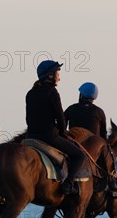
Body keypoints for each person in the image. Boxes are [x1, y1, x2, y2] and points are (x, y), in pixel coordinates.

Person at [25, 60, 86, 195]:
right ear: (50, 75)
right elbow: (60, 118)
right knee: (80, 155)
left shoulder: (31, 93)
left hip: (30, 136)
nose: (59, 76)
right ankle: (68, 184)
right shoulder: (52, 92)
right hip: (49, 137)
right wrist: (63, 132)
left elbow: (28, 118)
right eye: (58, 73)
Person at [65, 82, 117, 198]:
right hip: (95, 150)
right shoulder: (99, 112)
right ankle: (113, 186)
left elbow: (62, 127)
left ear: (81, 95)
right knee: (116, 162)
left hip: (74, 146)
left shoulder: (71, 109)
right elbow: (103, 136)